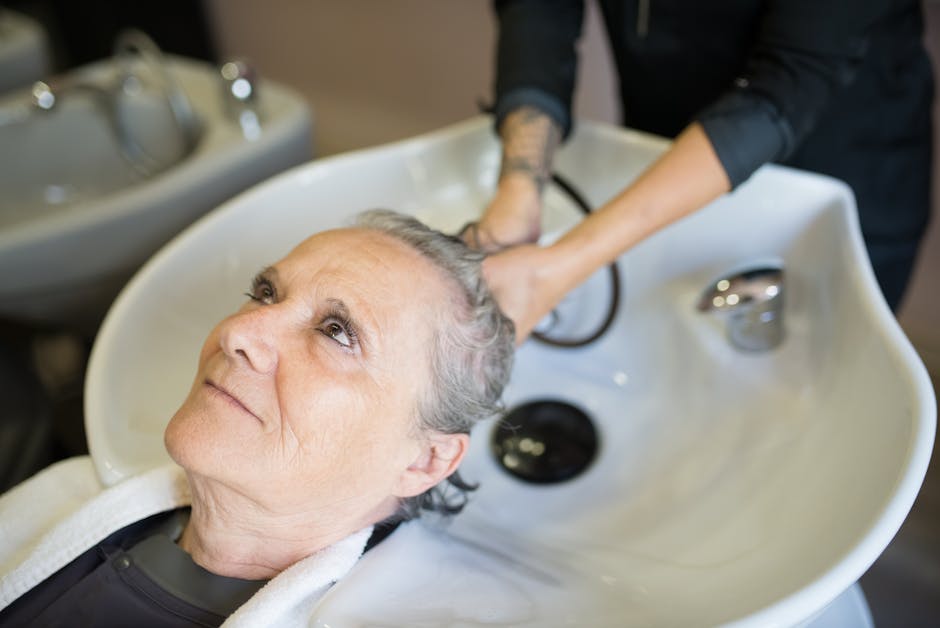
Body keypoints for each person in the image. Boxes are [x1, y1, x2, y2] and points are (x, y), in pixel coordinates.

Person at [0, 210, 515, 627]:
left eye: (337, 332)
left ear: (426, 460)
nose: (239, 333)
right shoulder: (69, 498)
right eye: (266, 293)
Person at [473, 0, 933, 342]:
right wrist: (520, 184)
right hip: (664, 160)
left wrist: (563, 266)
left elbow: (792, 79)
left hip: (834, 175)